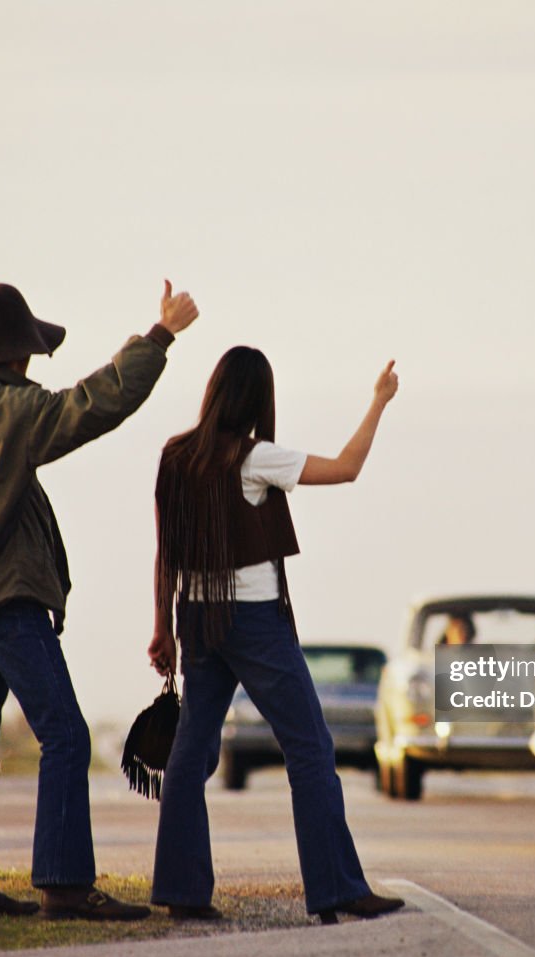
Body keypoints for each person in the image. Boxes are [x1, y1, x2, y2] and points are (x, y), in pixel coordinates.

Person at [0, 279, 198, 921]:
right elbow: (95, 404)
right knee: (67, 736)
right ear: (13, 355)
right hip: (6, 601)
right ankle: (66, 886)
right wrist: (158, 337)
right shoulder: (10, 411)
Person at [147, 346, 404, 925]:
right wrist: (378, 402)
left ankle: (182, 891)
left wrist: (163, 626)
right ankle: (336, 887)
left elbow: (167, 551)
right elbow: (346, 467)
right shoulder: (255, 457)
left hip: (196, 618)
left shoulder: (176, 456)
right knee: (310, 748)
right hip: (253, 621)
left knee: (190, 756)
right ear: (257, 399)